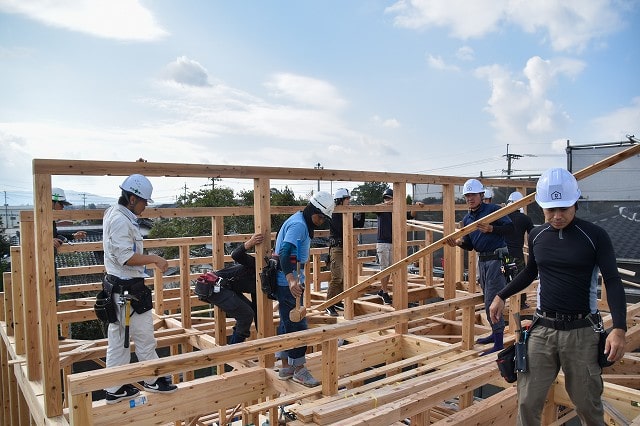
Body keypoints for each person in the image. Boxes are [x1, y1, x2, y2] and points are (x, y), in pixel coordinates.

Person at [489, 168, 627, 426]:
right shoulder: (538, 235)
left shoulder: (594, 236)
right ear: (541, 207)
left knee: (587, 404)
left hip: (581, 331)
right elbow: (531, 270)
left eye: (563, 209)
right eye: (550, 210)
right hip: (542, 329)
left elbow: (613, 279)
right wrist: (501, 295)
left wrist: (619, 327)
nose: (557, 216)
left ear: (575, 203)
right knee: (527, 401)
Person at [102, 174, 177, 404]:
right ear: (133, 198)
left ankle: (121, 385)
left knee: (124, 338)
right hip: (126, 290)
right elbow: (126, 257)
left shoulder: (120, 214)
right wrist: (154, 258)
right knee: (133, 337)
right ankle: (137, 383)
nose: (145, 207)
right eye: (144, 201)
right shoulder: (119, 220)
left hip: (126, 288)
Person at [445, 179, 513, 355]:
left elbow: (510, 228)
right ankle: (494, 333)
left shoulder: (493, 211)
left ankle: (499, 343)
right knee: (487, 297)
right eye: (467, 195)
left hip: (498, 258)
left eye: (473, 195)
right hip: (482, 260)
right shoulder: (467, 219)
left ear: (481, 195)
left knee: (493, 298)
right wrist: (458, 243)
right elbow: (469, 244)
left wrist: (492, 229)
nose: (470, 198)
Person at [274, 191, 335, 387]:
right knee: (297, 324)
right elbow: (284, 254)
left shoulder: (300, 220)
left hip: (288, 281)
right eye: (321, 217)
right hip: (287, 283)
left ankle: (287, 366)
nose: (321, 222)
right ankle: (299, 369)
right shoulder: (299, 225)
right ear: (314, 211)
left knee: (286, 321)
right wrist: (291, 280)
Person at [196, 232, 264, 343]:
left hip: (226, 288)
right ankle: (234, 350)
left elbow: (257, 309)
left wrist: (262, 334)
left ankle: (236, 344)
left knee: (248, 311)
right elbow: (236, 255)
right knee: (246, 315)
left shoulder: (265, 284)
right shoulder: (257, 264)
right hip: (212, 286)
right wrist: (250, 243)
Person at [375, 188, 423, 305]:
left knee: (391, 268)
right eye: (386, 199)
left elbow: (411, 216)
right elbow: (374, 206)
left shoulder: (398, 209)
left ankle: (382, 290)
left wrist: (415, 206)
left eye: (389, 198)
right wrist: (387, 204)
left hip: (394, 242)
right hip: (383, 243)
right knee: (384, 268)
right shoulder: (381, 209)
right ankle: (385, 292)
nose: (388, 201)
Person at [52, 187, 86, 339]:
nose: (63, 208)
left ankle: (50, 330)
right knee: (46, 297)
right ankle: (46, 332)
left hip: (47, 264)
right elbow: (32, 239)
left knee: (52, 297)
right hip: (38, 267)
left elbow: (55, 235)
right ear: (53, 202)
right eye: (62, 204)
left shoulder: (49, 220)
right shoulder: (37, 219)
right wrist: (45, 241)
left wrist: (72, 236)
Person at [325, 188, 365, 316]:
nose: (349, 201)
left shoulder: (346, 212)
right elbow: (342, 229)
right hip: (337, 249)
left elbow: (359, 224)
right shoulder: (335, 213)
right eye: (347, 199)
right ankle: (329, 304)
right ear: (340, 200)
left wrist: (361, 212)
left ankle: (337, 300)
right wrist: (351, 214)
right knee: (337, 277)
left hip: (346, 248)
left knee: (344, 278)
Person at [504, 191, 534, 308]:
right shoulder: (525, 219)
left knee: (504, 274)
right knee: (521, 276)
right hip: (517, 253)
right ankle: (521, 303)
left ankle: (500, 299)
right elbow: (532, 234)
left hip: (505, 254)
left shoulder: (503, 217)